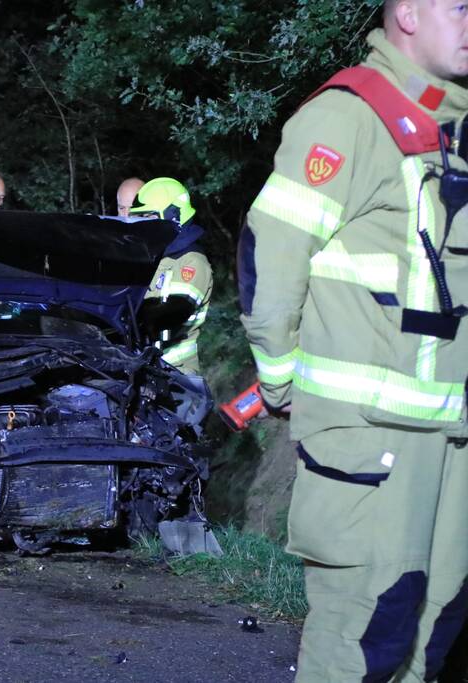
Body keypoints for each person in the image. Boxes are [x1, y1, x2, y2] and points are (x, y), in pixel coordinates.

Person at [239, 2, 468, 679]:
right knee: (364, 642)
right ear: (407, 14)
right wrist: (280, 380)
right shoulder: (349, 116)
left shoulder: (453, 125)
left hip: (450, 438)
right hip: (368, 439)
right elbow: (271, 258)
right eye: (459, 7)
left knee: (434, 638)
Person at [130, 178, 212, 375]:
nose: (142, 225)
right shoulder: (154, 257)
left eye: (149, 217)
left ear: (173, 216)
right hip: (145, 370)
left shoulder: (191, 264)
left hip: (176, 376)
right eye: (139, 218)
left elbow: (168, 316)